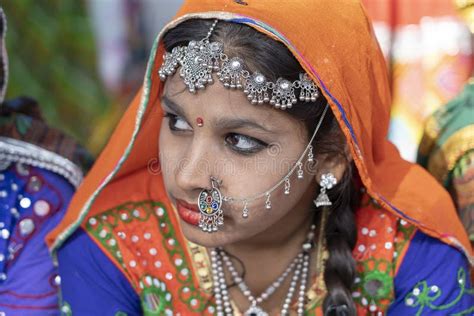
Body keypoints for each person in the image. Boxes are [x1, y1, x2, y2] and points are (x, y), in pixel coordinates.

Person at [49, 1, 473, 315]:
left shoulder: (409, 252)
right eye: (176, 123)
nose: (190, 175)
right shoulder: (114, 249)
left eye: (239, 140)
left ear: (330, 156)